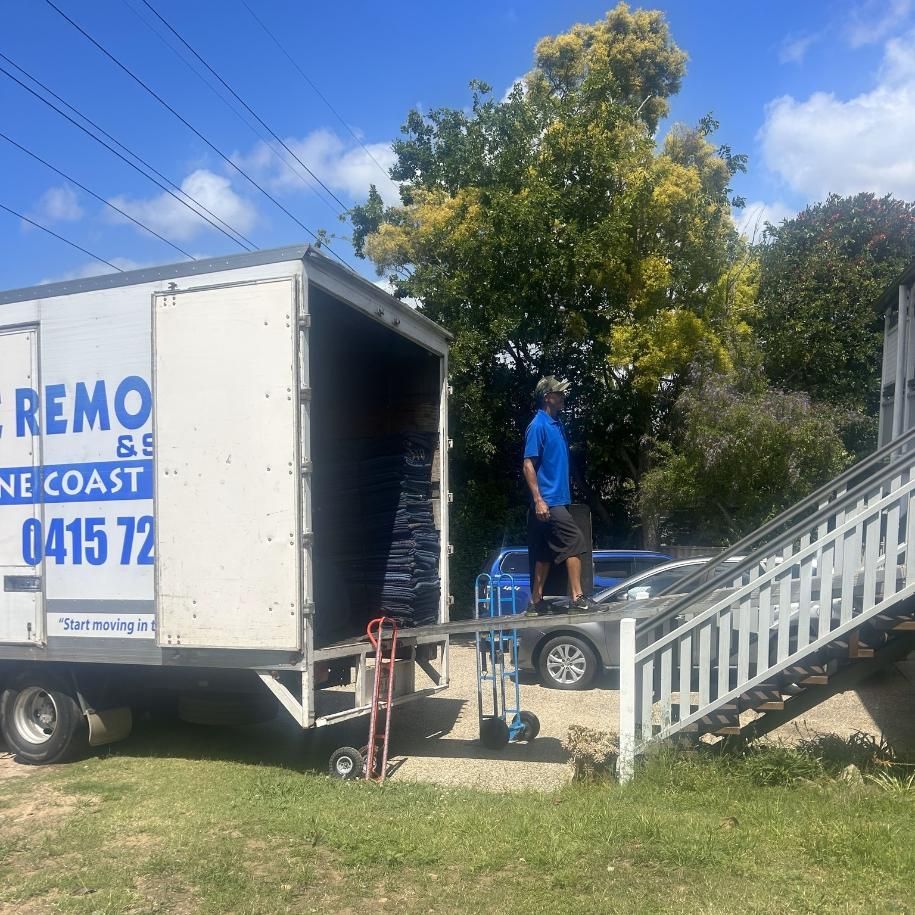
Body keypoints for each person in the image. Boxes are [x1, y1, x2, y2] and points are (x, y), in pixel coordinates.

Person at [521, 376, 594, 614]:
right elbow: (528, 465)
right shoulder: (538, 425)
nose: (563, 397)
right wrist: (539, 500)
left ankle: (535, 602)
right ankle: (577, 597)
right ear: (547, 398)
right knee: (574, 542)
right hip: (548, 502)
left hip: (556, 500)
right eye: (559, 393)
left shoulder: (557, 424)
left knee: (544, 552)